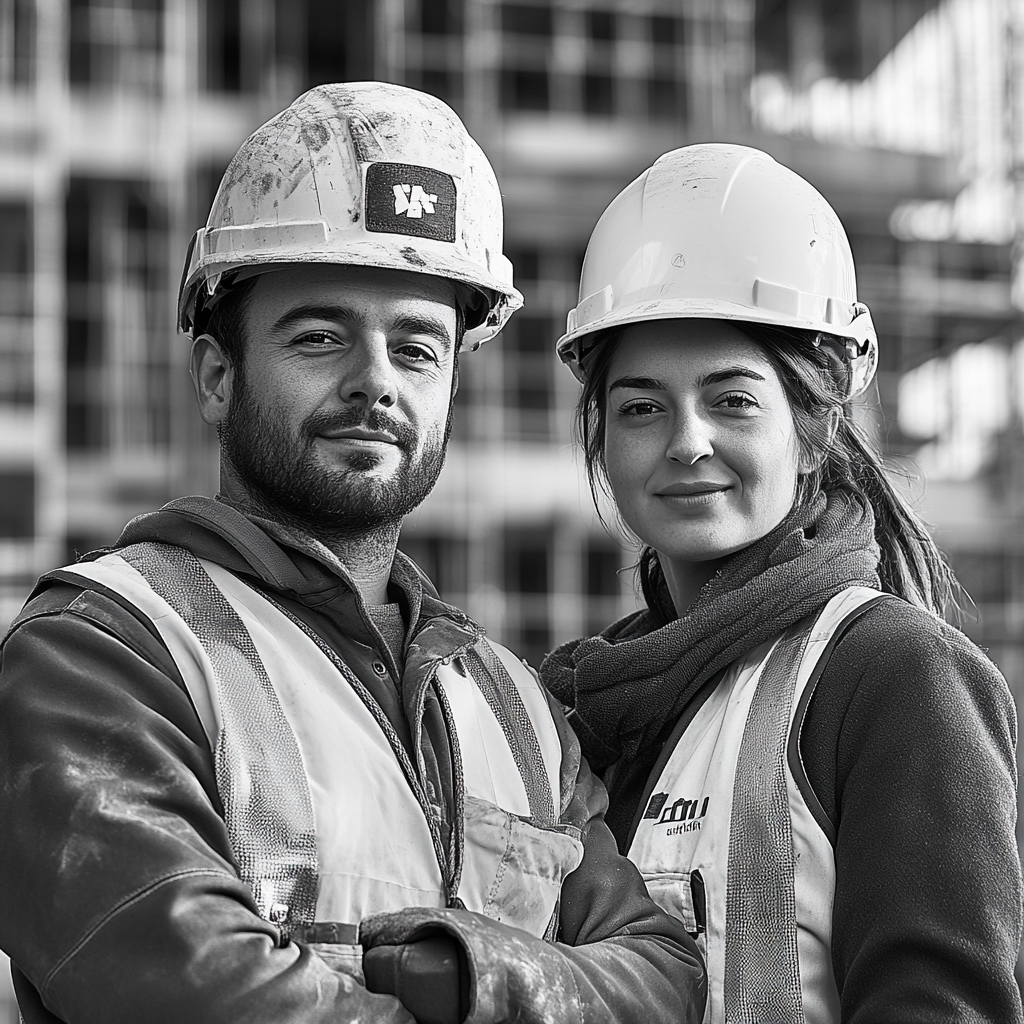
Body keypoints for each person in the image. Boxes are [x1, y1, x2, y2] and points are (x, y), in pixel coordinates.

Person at [0, 83, 706, 1024]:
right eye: (322, 337)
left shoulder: (516, 709)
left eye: (417, 349)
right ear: (218, 377)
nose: (375, 381)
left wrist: (476, 980)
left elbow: (663, 979)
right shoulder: (101, 653)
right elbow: (193, 991)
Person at [541, 143, 1023, 1024]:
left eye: (732, 401)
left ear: (810, 432)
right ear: (602, 439)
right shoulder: (588, 709)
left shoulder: (893, 676)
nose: (687, 442)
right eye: (643, 406)